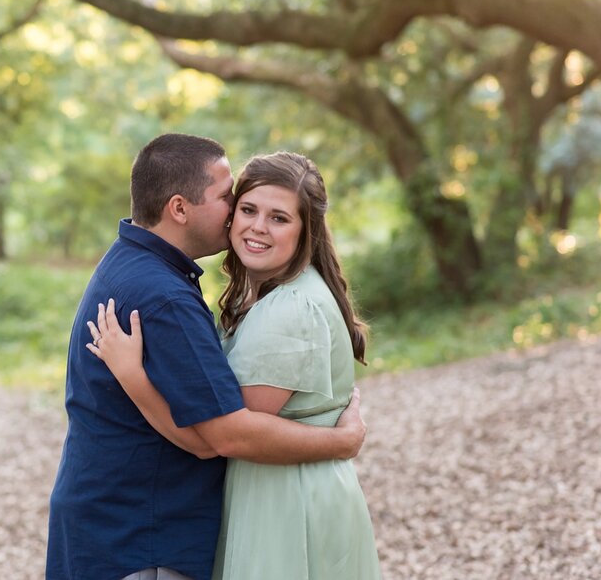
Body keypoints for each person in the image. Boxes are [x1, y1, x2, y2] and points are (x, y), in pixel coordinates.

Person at [46, 134, 367, 580]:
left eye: (277, 217)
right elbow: (223, 436)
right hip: (139, 539)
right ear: (179, 208)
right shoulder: (164, 297)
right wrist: (342, 442)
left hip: (124, 527)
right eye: (231, 199)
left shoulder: (133, 261)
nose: (238, 215)